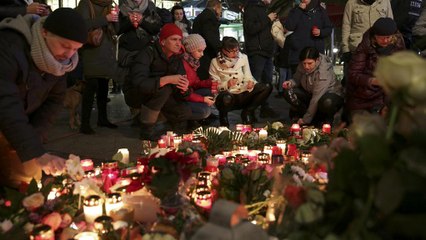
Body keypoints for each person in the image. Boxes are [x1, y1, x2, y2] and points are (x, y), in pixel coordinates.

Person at [0, 8, 87, 188]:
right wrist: (36, 153)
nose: (69, 54)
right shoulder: (8, 47)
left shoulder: (59, 63)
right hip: (8, 115)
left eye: (76, 49)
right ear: (44, 32)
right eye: (65, 45)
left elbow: (53, 102)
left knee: (28, 179)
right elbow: (5, 103)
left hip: (19, 124)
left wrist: (34, 142)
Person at [123, 23, 192, 140]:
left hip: (160, 95)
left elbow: (181, 86)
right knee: (165, 89)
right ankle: (147, 128)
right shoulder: (147, 53)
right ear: (163, 41)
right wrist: (166, 80)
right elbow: (139, 83)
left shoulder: (177, 58)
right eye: (174, 39)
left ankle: (160, 122)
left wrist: (184, 89)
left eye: (180, 40)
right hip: (137, 93)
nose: (178, 43)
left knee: (184, 111)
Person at [346, 17, 405, 120]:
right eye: (381, 37)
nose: (385, 41)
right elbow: (353, 74)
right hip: (364, 97)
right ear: (374, 37)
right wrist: (373, 81)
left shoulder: (399, 47)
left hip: (389, 96)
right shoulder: (364, 47)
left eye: (388, 37)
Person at [76, 0, 120, 135]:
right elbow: (81, 25)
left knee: (104, 87)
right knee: (90, 88)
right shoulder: (86, 3)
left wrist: (116, 18)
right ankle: (85, 123)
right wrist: (105, 19)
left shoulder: (109, 4)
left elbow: (117, 30)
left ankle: (103, 118)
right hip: (92, 51)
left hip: (107, 51)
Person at [209, 37, 272, 127]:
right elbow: (214, 85)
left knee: (266, 86)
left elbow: (248, 75)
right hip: (227, 95)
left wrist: (251, 82)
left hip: (242, 91)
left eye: (237, 50)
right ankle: (223, 117)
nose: (236, 53)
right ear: (224, 51)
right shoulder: (215, 62)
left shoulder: (243, 57)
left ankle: (248, 111)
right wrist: (227, 84)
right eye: (233, 51)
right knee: (226, 97)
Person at [282, 47, 344, 126]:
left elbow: (316, 98)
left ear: (317, 60)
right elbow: (296, 79)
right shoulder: (302, 66)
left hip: (328, 96)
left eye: (310, 63)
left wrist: (306, 119)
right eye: (304, 63)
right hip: (311, 94)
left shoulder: (323, 72)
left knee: (327, 102)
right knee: (288, 92)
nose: (306, 67)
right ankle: (304, 115)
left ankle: (326, 119)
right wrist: (290, 83)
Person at [341, 0, 394, 85]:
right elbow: (346, 26)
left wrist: (390, 46)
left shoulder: (385, 2)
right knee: (354, 82)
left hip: (379, 50)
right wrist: (345, 49)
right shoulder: (351, 3)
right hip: (356, 48)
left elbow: (390, 24)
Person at [243, 0, 279, 119]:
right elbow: (251, 29)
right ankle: (249, 110)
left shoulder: (265, 8)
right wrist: (267, 19)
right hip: (257, 51)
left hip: (267, 50)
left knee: (267, 82)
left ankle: (265, 107)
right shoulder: (251, 7)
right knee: (253, 82)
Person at [285, 0, 333, 74]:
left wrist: (320, 32)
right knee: (297, 82)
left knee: (316, 83)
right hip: (298, 55)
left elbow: (329, 28)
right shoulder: (295, 10)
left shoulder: (320, 10)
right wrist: (299, 10)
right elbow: (289, 26)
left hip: (315, 55)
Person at [182, 34, 214, 126]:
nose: (202, 54)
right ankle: (189, 120)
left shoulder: (192, 63)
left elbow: (195, 83)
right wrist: (203, 99)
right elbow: (183, 92)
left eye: (203, 51)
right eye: (199, 51)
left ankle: (194, 119)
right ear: (190, 49)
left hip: (189, 93)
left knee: (209, 92)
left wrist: (209, 83)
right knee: (205, 111)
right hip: (182, 98)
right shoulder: (183, 64)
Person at [192, 0, 222, 80]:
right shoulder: (209, 17)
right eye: (220, 9)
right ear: (216, 7)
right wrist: (220, 49)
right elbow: (211, 38)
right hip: (207, 54)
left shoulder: (200, 17)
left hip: (200, 53)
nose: (220, 12)